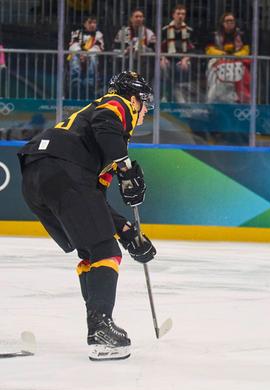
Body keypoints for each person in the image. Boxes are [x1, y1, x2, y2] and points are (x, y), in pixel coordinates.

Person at [17, 71, 157, 361]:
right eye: (144, 103)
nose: (146, 111)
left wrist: (129, 231)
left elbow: (94, 200)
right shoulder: (116, 106)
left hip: (37, 176)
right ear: (133, 99)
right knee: (105, 250)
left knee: (94, 249)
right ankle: (100, 327)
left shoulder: (101, 142)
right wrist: (126, 169)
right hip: (63, 167)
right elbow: (105, 121)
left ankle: (98, 323)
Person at [205, 12, 251, 104]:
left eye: (232, 21)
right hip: (219, 60)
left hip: (236, 61)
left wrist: (235, 56)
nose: (230, 23)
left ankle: (241, 99)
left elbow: (246, 50)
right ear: (222, 22)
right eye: (227, 21)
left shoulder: (241, 34)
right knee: (215, 74)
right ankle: (212, 99)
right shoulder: (215, 34)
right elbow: (209, 49)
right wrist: (223, 55)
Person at [160, 4, 195, 103]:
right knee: (163, 67)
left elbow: (192, 49)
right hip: (168, 59)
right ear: (173, 15)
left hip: (182, 60)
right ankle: (165, 95)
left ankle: (181, 95)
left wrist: (185, 59)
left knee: (183, 67)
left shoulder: (189, 31)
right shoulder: (165, 30)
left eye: (183, 14)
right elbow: (160, 48)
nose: (180, 16)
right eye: (178, 13)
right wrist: (162, 58)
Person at [68, 16, 105, 99]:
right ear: (84, 24)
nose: (92, 25)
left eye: (94, 23)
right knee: (74, 57)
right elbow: (73, 45)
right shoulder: (77, 33)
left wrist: (86, 55)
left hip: (91, 59)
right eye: (90, 22)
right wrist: (81, 54)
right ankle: (75, 79)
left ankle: (90, 81)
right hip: (78, 58)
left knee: (93, 58)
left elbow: (99, 48)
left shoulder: (98, 35)